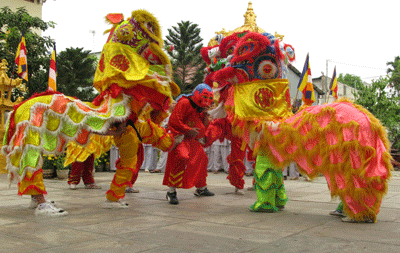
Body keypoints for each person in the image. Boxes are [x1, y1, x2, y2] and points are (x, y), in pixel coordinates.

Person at [163, 84, 215, 205]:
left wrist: (206, 116)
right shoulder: (185, 103)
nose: (207, 102)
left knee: (202, 159)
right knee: (182, 157)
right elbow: (174, 120)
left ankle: (201, 188)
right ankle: (171, 191)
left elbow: (202, 125)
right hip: (181, 137)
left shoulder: (199, 107)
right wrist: (188, 129)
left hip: (193, 140)